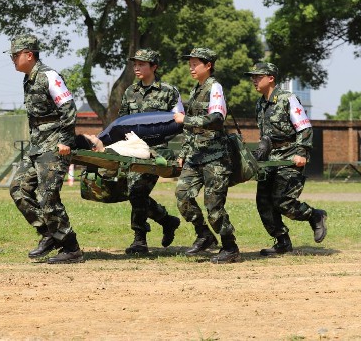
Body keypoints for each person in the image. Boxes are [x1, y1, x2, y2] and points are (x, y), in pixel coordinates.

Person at [7, 34, 84, 264]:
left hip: (55, 144)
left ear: (29, 55)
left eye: (15, 54)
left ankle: (71, 248)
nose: (12, 59)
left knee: (48, 195)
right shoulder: (28, 79)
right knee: (18, 188)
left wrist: (66, 141)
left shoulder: (49, 76)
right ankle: (49, 234)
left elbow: (69, 109)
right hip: (37, 145)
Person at [244, 62, 328, 256]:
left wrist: (302, 152)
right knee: (263, 202)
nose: (254, 80)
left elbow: (304, 127)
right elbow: (266, 135)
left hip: (290, 157)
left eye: (258, 76)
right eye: (253, 77)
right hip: (270, 160)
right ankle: (282, 242)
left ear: (271, 78)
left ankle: (315, 215)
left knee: (283, 202)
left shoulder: (287, 99)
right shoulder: (260, 103)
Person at [173, 47, 241, 264]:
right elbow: (190, 131)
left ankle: (230, 248)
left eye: (195, 63)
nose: (191, 67)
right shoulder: (196, 89)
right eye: (190, 63)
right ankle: (204, 235)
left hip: (215, 157)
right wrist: (184, 152)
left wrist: (186, 120)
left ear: (208, 65)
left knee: (213, 207)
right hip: (195, 155)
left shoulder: (215, 87)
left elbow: (217, 119)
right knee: (183, 196)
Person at [117, 49, 182, 255]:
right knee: (134, 193)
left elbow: (180, 122)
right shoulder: (130, 92)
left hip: (157, 152)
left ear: (154, 67)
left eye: (142, 64)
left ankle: (139, 239)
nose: (137, 67)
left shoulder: (169, 91)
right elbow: (121, 123)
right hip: (133, 150)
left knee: (137, 191)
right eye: (135, 64)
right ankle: (167, 220)